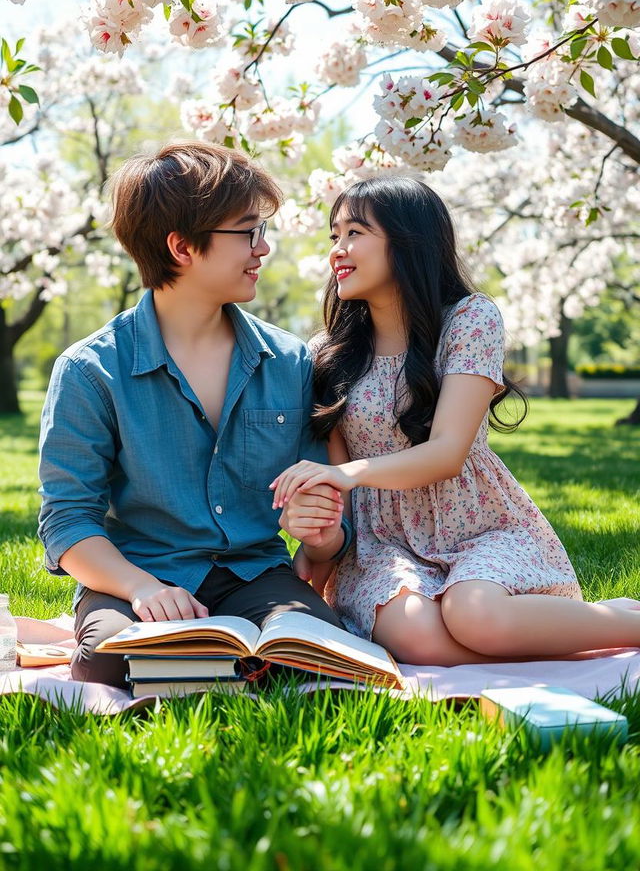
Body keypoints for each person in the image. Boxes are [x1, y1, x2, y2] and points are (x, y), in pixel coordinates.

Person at [271, 176, 640, 665]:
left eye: (355, 233)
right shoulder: (328, 354)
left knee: (475, 616)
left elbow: (447, 453)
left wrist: (346, 473)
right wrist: (317, 550)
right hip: (383, 542)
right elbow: (337, 500)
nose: (338, 249)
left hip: (480, 524)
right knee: (418, 637)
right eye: (333, 236)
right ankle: (542, 653)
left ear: (409, 242)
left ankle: (622, 620)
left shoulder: (469, 319)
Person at [38, 142, 349, 689]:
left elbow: (326, 519)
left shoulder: (291, 362)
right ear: (182, 247)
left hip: (255, 573)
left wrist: (320, 533)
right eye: (247, 232)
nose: (264, 247)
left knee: (314, 645)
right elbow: (68, 519)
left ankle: (224, 667)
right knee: (108, 659)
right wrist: (140, 590)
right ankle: (231, 670)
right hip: (137, 573)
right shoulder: (90, 371)